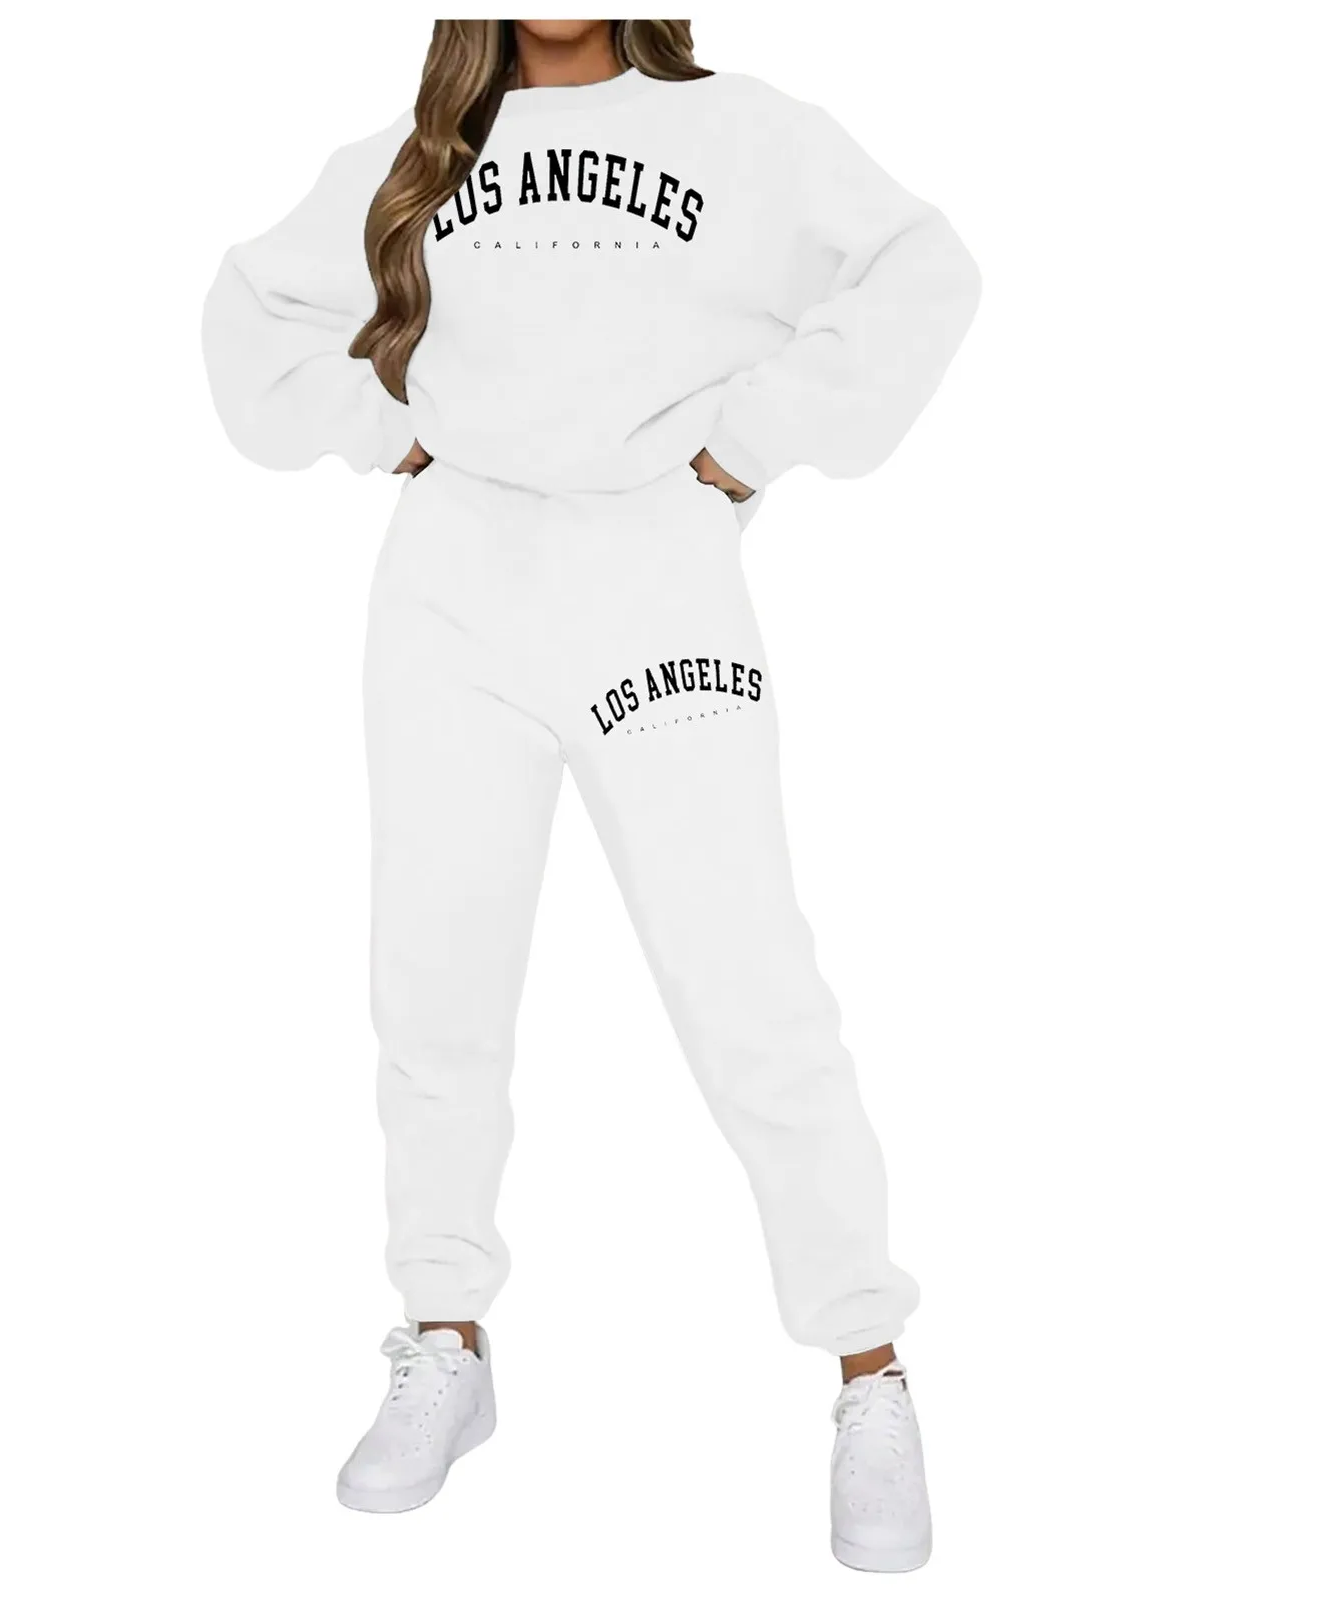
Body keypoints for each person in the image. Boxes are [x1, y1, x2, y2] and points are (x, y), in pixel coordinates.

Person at [202, 18, 979, 1573]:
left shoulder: (746, 131)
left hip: (657, 578)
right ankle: (444, 1334)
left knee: (747, 980)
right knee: (434, 977)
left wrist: (753, 443)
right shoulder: (419, 154)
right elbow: (250, 309)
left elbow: (925, 267)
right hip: (454, 580)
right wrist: (380, 433)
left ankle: (868, 1367)